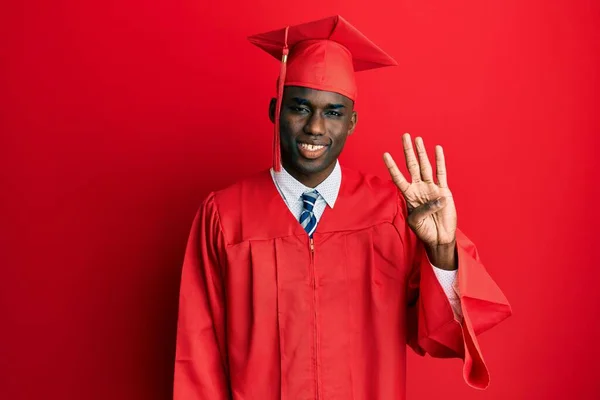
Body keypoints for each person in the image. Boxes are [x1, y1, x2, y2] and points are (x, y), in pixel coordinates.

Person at [173, 15, 511, 400]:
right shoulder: (226, 216)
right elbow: (198, 359)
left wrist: (442, 249)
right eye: (300, 107)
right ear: (274, 111)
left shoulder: (392, 214)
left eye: (333, 112)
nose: (315, 127)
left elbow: (441, 336)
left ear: (351, 122)